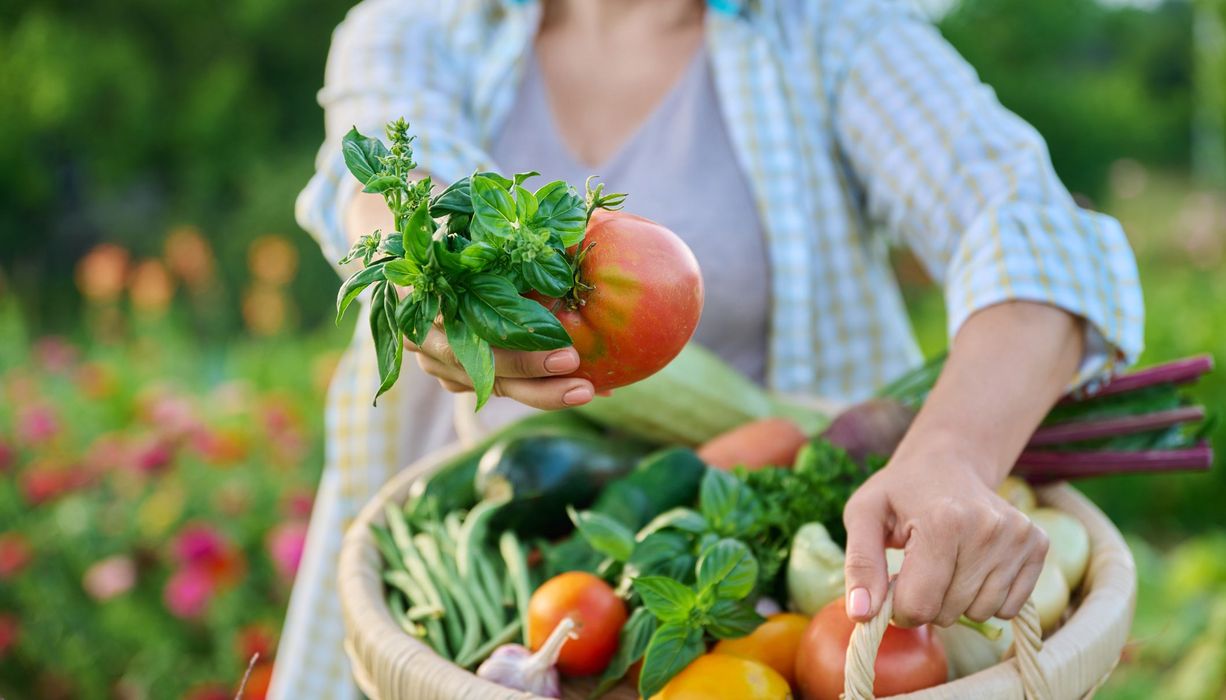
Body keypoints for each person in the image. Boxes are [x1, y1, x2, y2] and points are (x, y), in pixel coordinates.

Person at [271, 0, 1144, 696]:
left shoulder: (827, 29)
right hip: (445, 570)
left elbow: (1028, 224)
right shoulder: (420, 23)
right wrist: (420, 281)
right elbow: (383, 184)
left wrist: (951, 456)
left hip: (753, 576)